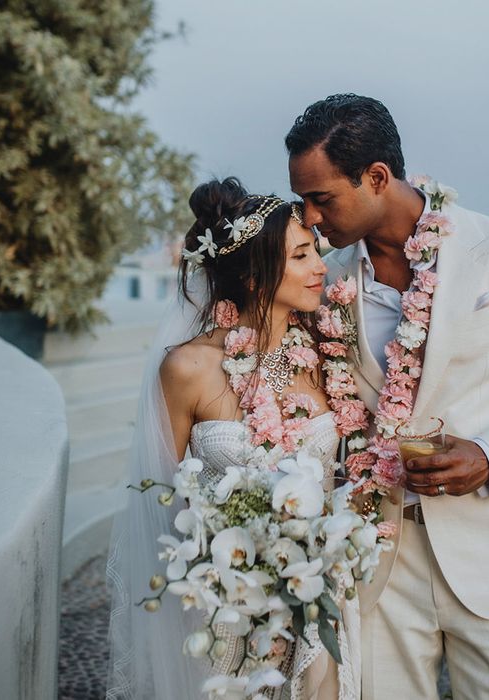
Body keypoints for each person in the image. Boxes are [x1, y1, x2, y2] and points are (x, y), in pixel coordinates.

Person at [285, 94, 489, 699]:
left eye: (322, 198)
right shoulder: (324, 281)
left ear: (377, 178)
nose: (311, 217)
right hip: (378, 569)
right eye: (304, 200)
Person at [105, 177, 361, 700]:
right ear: (251, 274)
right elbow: (160, 495)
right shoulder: (188, 367)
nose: (320, 268)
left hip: (315, 599)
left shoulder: (327, 354)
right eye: (302, 255)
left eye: (317, 253)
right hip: (225, 605)